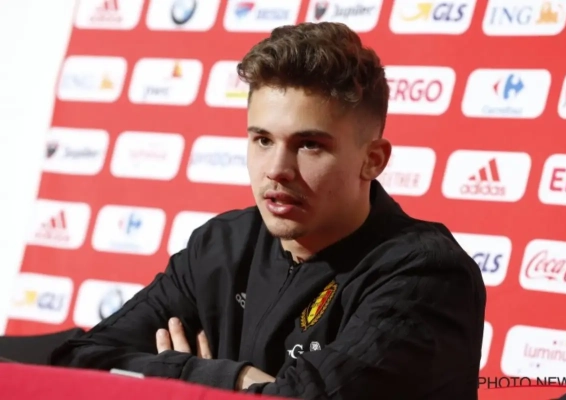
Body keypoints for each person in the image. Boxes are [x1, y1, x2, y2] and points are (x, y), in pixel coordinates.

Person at [49, 22, 486, 399]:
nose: (276, 169)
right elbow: (76, 361)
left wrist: (176, 381)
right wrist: (225, 377)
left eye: (309, 145)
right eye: (262, 140)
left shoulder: (425, 274)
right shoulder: (222, 246)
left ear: (373, 160)